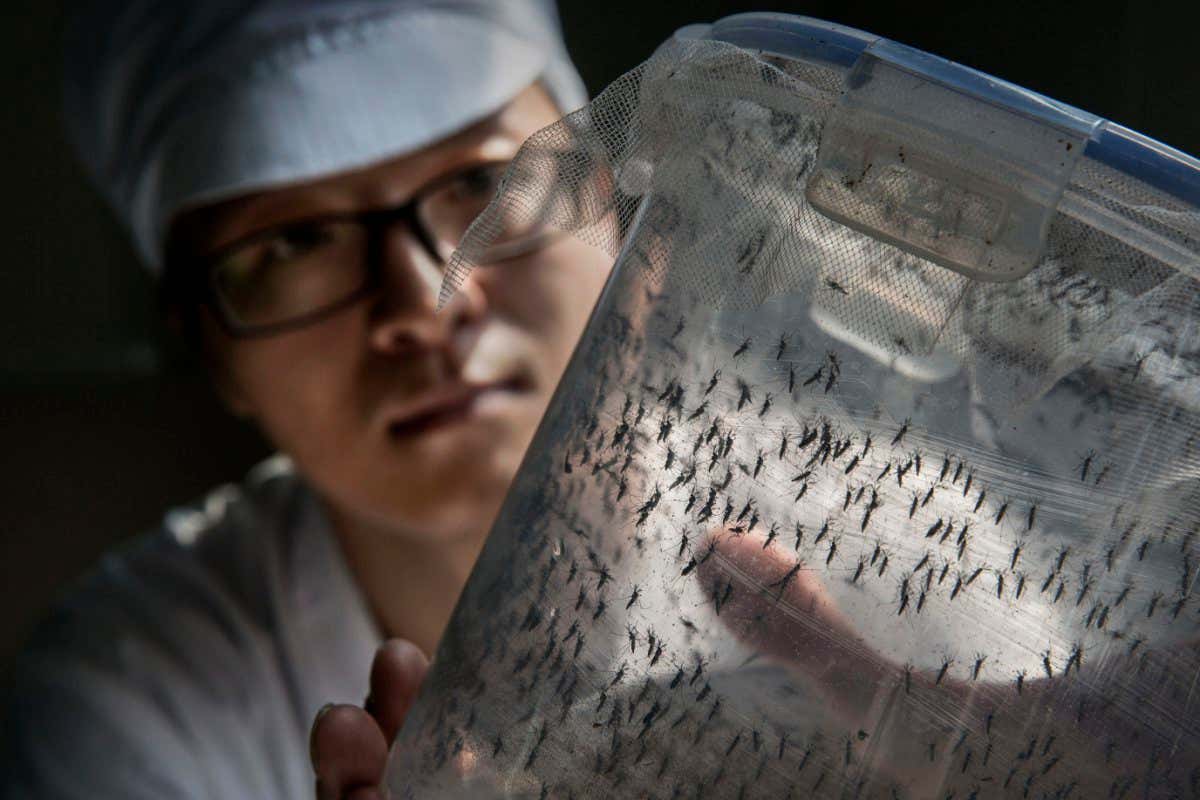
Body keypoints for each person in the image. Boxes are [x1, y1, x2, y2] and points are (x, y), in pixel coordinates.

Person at [2, 1, 612, 798]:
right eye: (294, 241)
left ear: (612, 198)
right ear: (206, 347)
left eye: (479, 182)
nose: (428, 303)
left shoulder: (826, 523)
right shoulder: (134, 703)